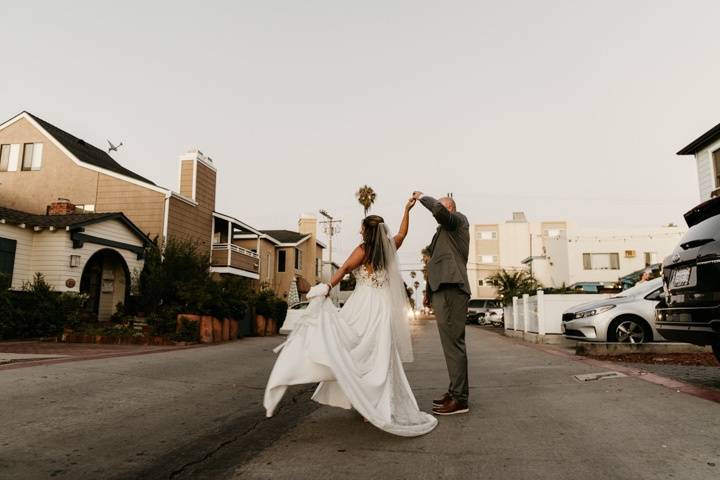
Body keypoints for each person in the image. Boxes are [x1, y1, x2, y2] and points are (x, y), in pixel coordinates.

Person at [263, 197, 437, 437]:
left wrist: (325, 288)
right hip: (382, 306)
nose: (359, 230)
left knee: (353, 348)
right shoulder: (389, 247)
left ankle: (366, 400)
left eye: (362, 227)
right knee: (379, 354)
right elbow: (403, 233)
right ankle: (374, 404)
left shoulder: (363, 250)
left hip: (363, 304)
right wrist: (407, 210)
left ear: (367, 231)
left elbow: (343, 269)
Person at [412, 191, 471, 415]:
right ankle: (454, 391)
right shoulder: (442, 234)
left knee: (454, 344)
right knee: (449, 345)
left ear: (451, 210)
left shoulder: (459, 221)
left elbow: (438, 210)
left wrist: (422, 197)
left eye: (444, 207)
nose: (441, 209)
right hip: (441, 288)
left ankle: (460, 399)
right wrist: (427, 290)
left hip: (452, 288)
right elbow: (436, 264)